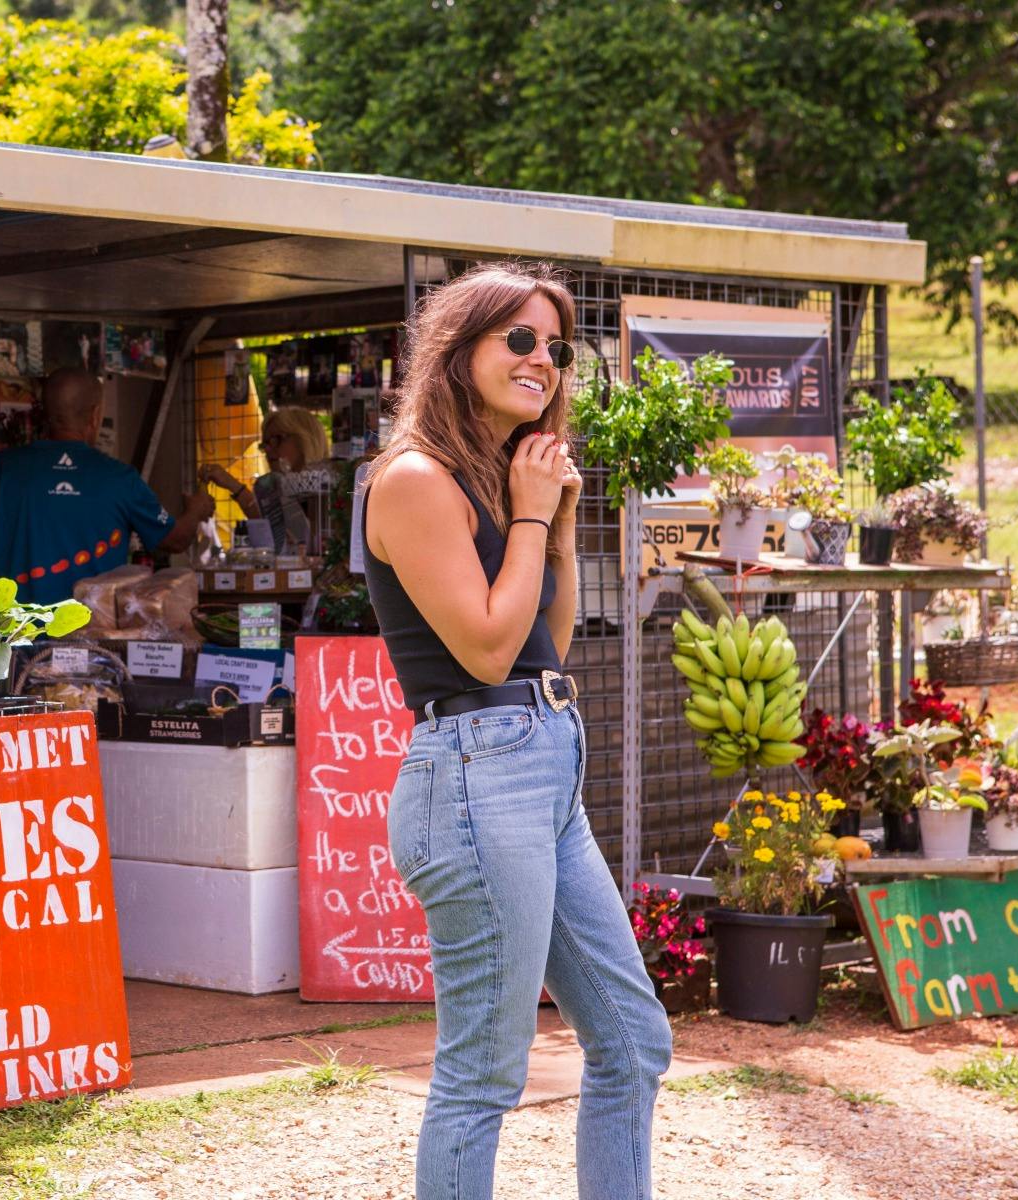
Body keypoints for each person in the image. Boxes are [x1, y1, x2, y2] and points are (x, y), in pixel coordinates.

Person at [361, 262, 672, 1200]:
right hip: (473, 778)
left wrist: (555, 525)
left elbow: (547, 646)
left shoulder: (497, 481)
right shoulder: (414, 479)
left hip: (540, 764)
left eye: (558, 347)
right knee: (484, 1075)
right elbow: (489, 652)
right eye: (521, 339)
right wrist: (530, 512)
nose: (544, 360)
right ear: (458, 351)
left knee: (633, 1042)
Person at [0, 368, 215, 603]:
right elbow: (174, 540)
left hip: (14, 629)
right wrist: (196, 511)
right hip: (92, 629)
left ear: (43, 412)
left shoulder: (2, 469)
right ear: (95, 416)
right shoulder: (120, 478)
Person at [198, 407, 330, 553]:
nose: (267, 449)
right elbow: (268, 529)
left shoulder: (330, 488)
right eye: (265, 444)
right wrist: (232, 485)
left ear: (305, 439)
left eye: (276, 440)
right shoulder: (272, 487)